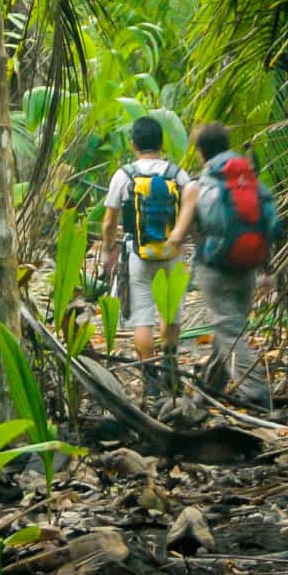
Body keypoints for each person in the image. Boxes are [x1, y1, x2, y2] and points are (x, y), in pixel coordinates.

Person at [168, 122, 279, 409]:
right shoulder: (250, 180)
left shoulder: (198, 186)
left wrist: (168, 243)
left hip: (215, 266)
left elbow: (179, 235)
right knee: (231, 325)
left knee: (229, 329)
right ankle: (209, 386)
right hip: (249, 264)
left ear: (200, 153)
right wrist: (268, 270)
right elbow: (267, 223)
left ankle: (255, 392)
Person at [99, 116, 194, 400]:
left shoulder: (124, 175)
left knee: (142, 317)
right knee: (169, 311)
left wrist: (107, 250)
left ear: (133, 144)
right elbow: (190, 210)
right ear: (161, 143)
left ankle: (149, 379)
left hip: (137, 255)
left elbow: (108, 221)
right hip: (171, 253)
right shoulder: (177, 174)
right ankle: (170, 365)